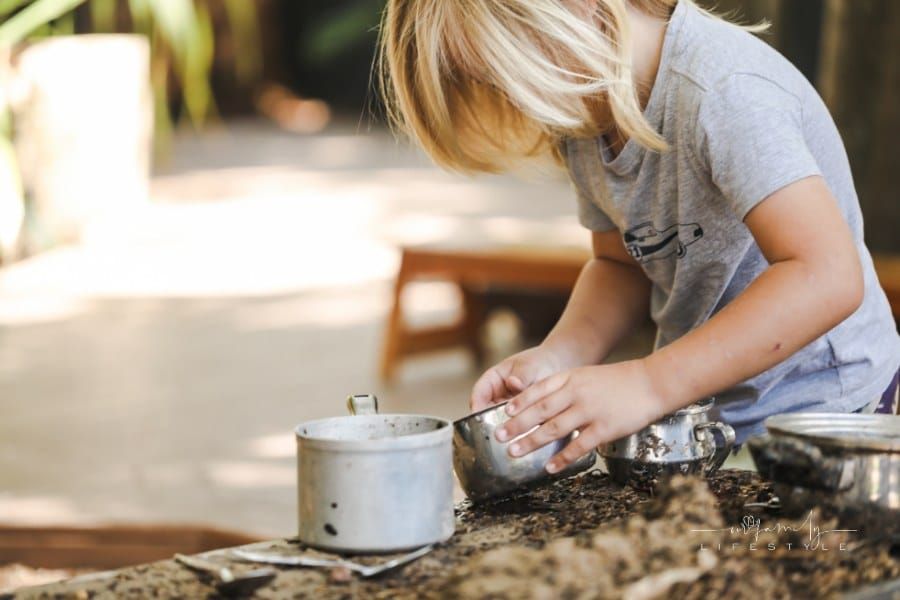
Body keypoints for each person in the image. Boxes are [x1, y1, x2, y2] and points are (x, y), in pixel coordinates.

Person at [378, 0, 900, 473]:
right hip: (714, 412)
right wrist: (559, 356)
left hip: (828, 413)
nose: (519, 101)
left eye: (506, 75)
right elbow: (621, 264)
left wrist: (650, 383)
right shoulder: (590, 113)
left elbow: (825, 275)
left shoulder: (724, 91)